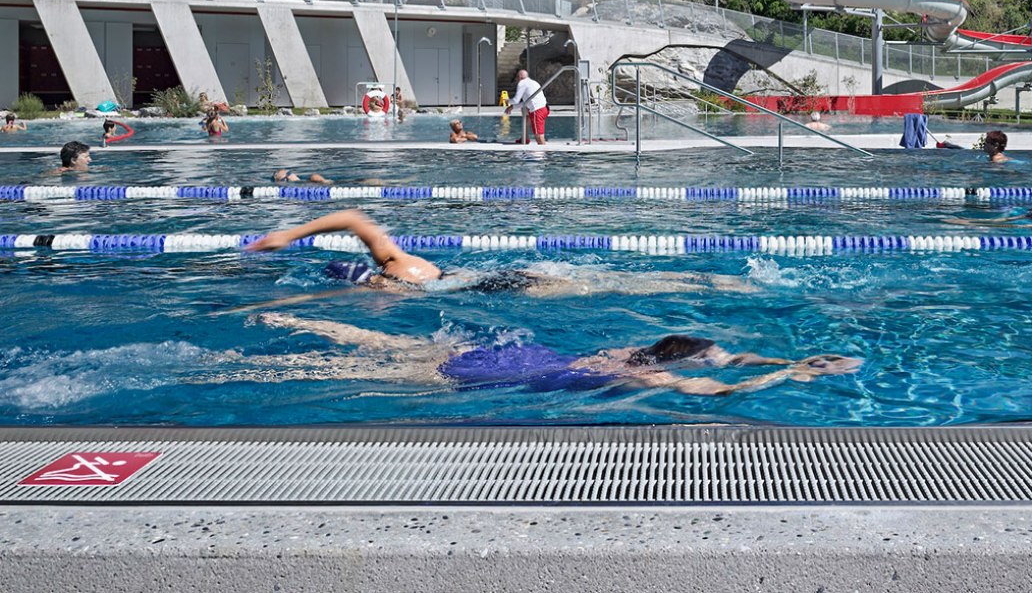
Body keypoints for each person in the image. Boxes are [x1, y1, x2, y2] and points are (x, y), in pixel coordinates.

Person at [240, 312, 861, 397]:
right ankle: (267, 363)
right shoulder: (654, 384)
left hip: (517, 352)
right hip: (522, 374)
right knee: (358, 375)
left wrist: (781, 359)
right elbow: (720, 388)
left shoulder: (634, 353)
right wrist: (796, 375)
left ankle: (301, 321)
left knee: (392, 347)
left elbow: (722, 362)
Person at [244, 209, 758, 297]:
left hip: (495, 286)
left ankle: (703, 283)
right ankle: (705, 281)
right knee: (608, 280)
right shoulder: (398, 263)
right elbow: (355, 219)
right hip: (494, 274)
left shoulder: (391, 280)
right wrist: (287, 235)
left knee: (602, 287)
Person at [505, 68, 549, 145]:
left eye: (517, 77)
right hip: (545, 108)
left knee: (538, 136)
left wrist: (507, 101)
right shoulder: (534, 82)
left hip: (537, 110)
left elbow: (516, 100)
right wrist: (512, 107)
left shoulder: (522, 83)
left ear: (519, 77)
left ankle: (543, 154)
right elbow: (527, 102)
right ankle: (525, 138)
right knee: (525, 112)